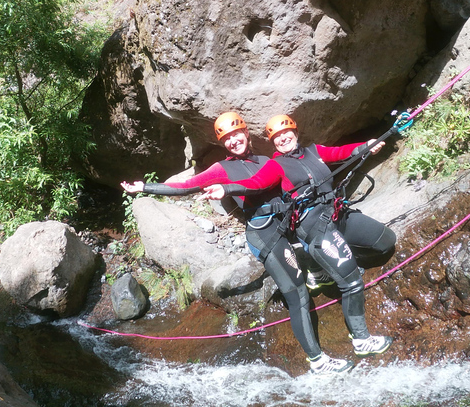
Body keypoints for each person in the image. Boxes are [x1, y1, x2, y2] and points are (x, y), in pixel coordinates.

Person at [122, 112, 354, 374]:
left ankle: (313, 270)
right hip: (264, 235)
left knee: (315, 238)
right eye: (227, 139)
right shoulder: (222, 169)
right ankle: (318, 362)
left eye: (236, 135)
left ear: (246, 134)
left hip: (285, 226)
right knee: (298, 294)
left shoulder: (268, 160)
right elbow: (186, 186)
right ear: (224, 144)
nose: (233, 141)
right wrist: (145, 187)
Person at [202, 114, 397, 359]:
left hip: (337, 212)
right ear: (272, 142)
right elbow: (255, 184)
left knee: (385, 240)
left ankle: (325, 264)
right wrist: (226, 188)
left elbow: (340, 153)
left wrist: (364, 147)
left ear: (296, 133)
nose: (282, 138)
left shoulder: (314, 151)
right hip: (314, 224)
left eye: (286, 133)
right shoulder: (275, 164)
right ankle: (361, 340)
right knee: (350, 281)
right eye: (276, 137)